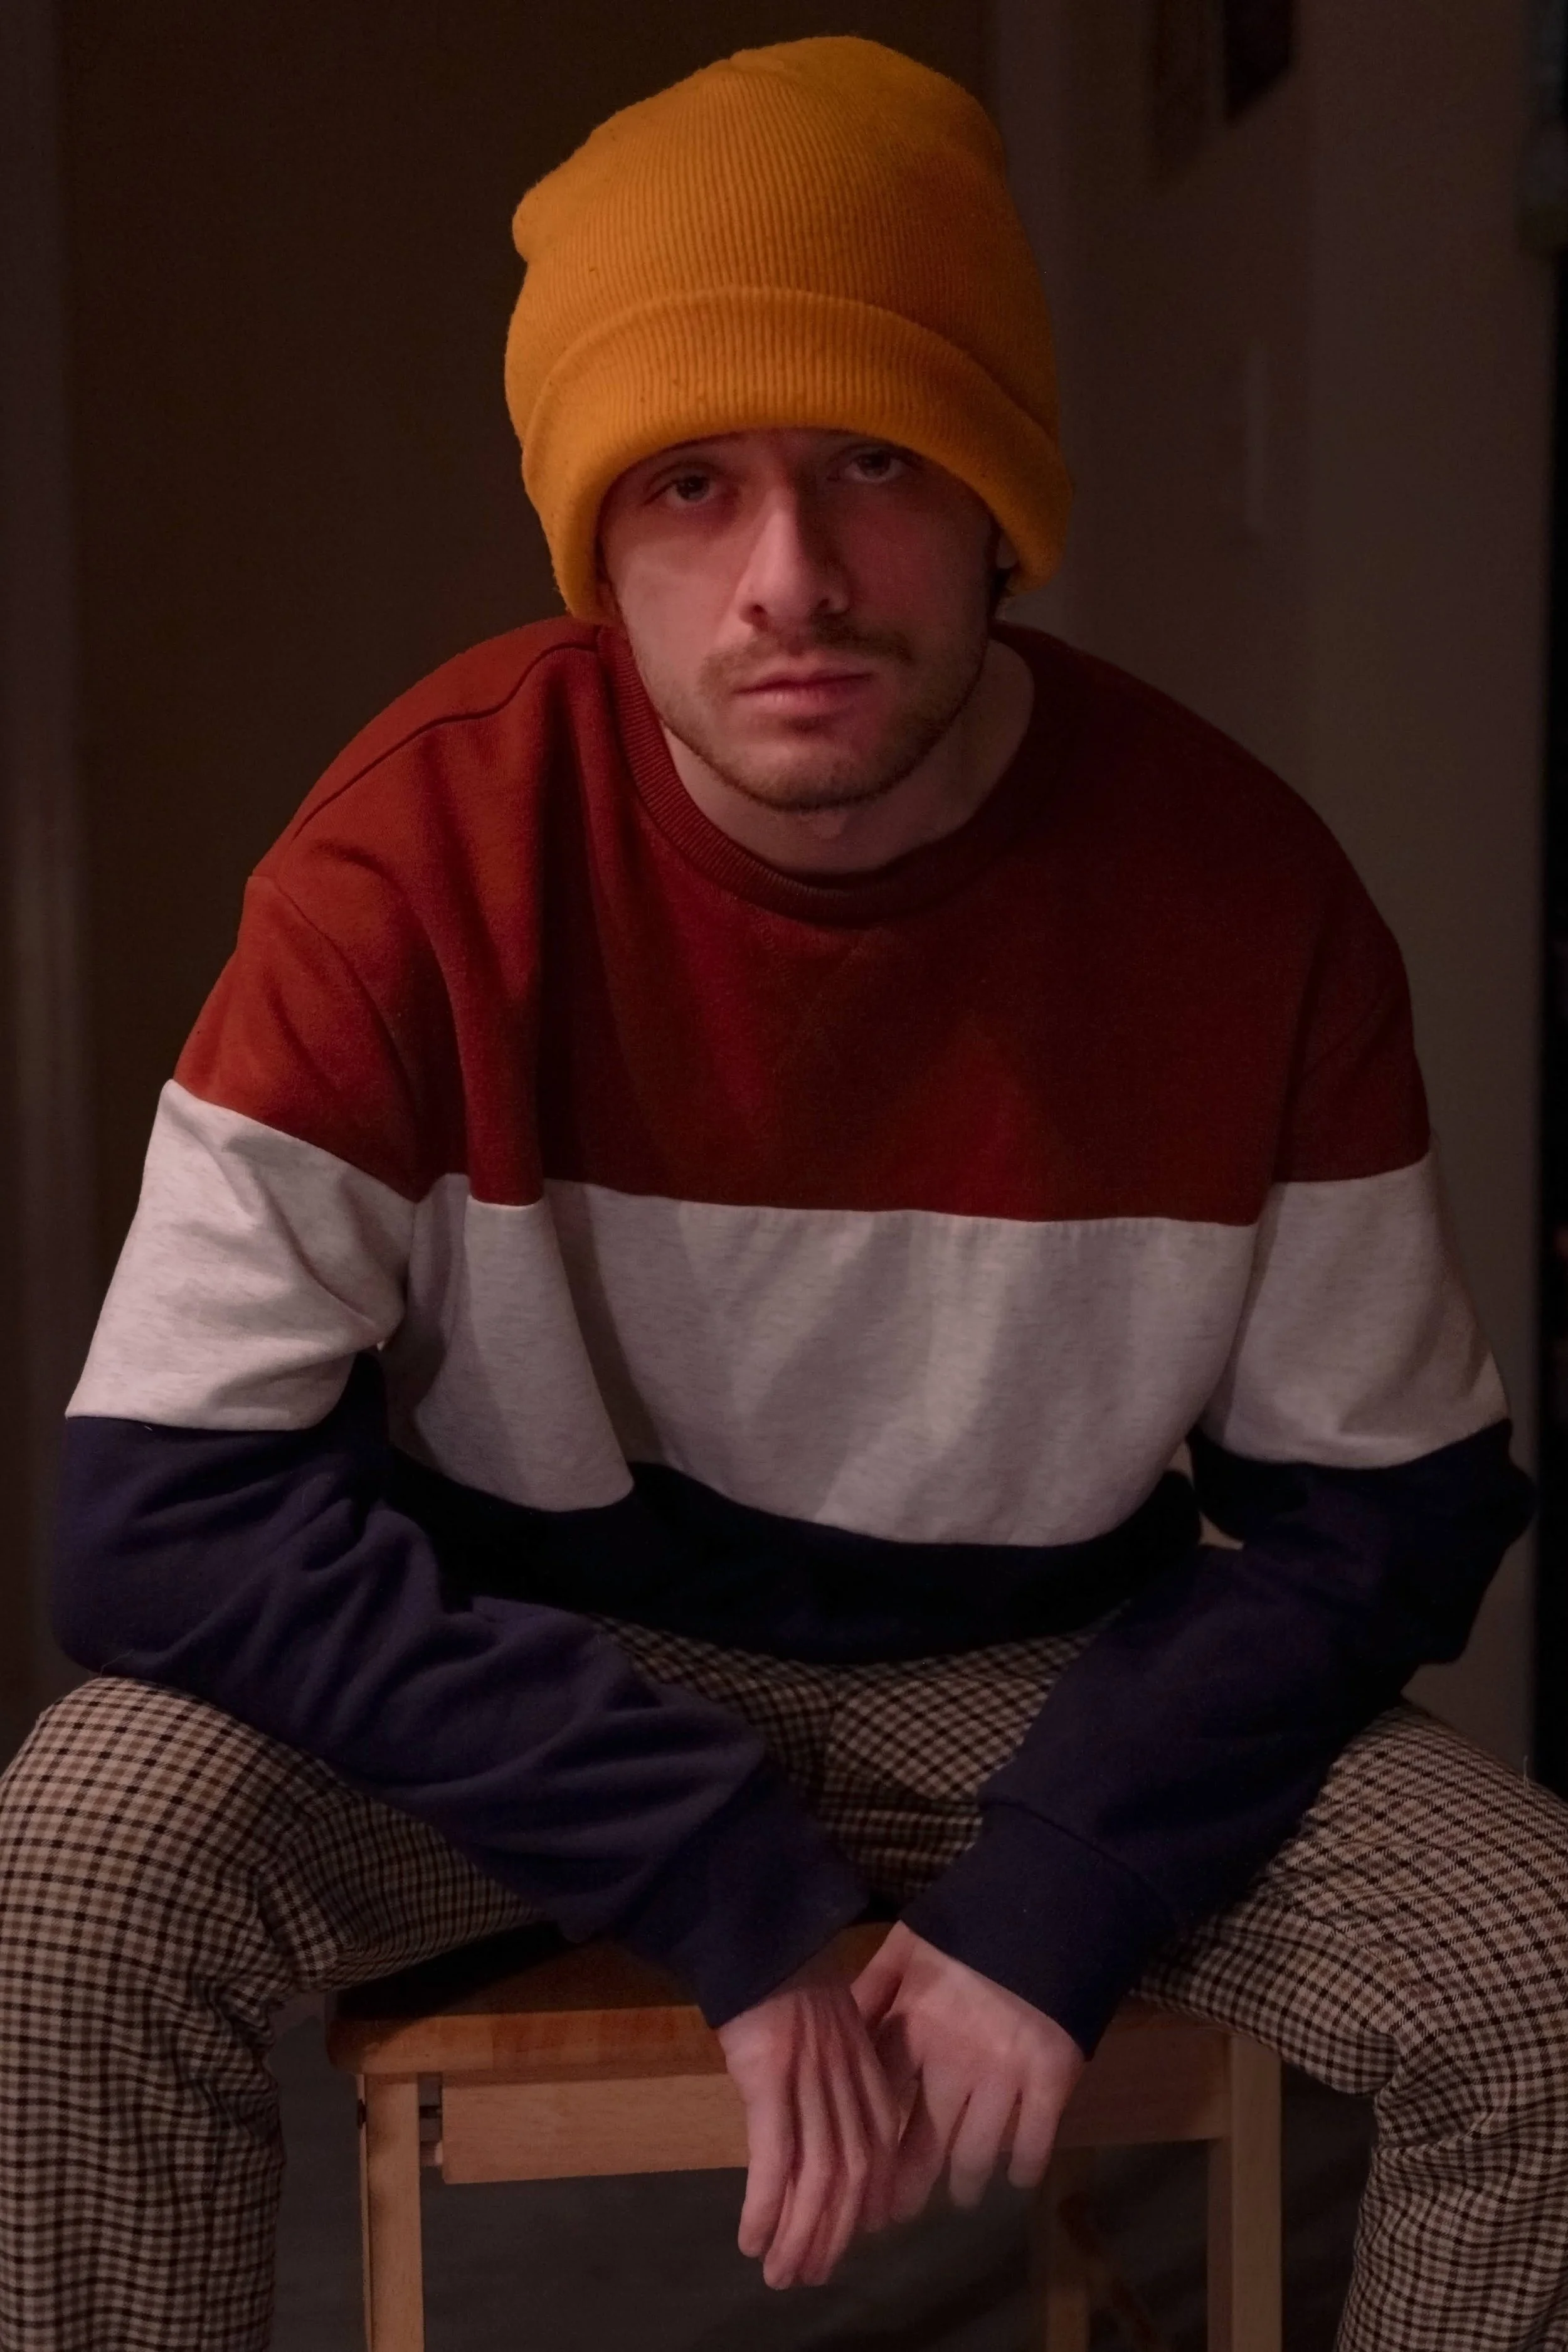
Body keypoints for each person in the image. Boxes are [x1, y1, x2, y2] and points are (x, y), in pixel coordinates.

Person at [1, 33, 1562, 2351]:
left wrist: (1073, 1873)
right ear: (588, 538)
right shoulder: (408, 860)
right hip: (547, 1658)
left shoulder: (1244, 897)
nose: (792, 579)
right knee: (78, 1865)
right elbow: (156, 1510)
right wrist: (704, 1868)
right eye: (688, 488)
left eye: (875, 462)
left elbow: (1386, 1510)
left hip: (1038, 1674)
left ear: (1001, 494)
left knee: (1533, 1964)